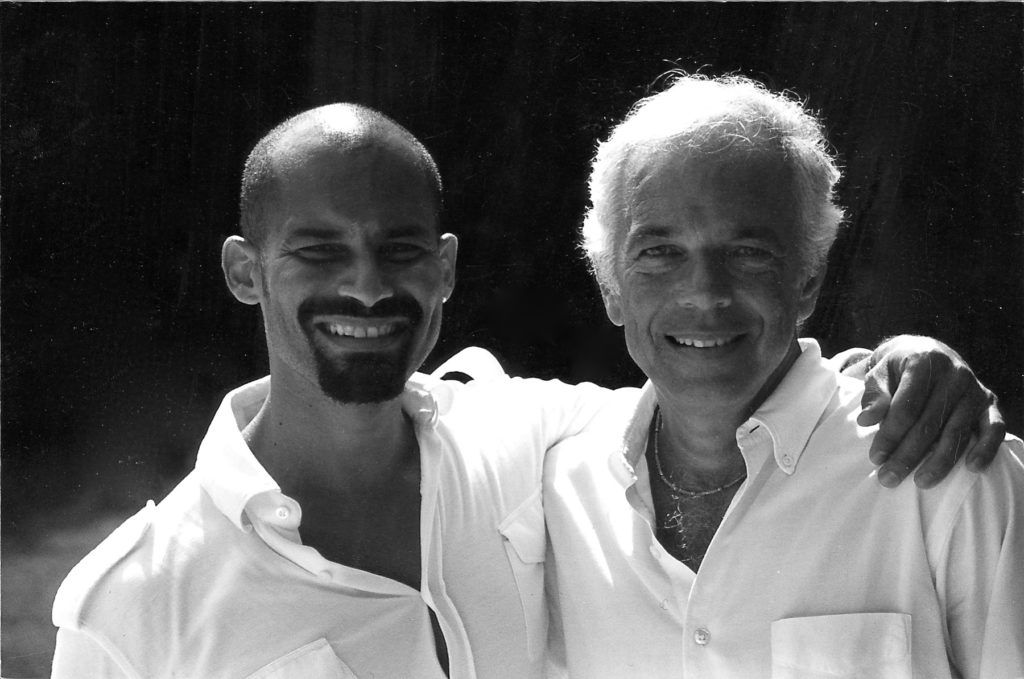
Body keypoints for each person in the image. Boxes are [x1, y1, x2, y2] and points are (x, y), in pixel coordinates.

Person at [50, 102, 1003, 679]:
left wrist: (906, 359)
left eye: (400, 248)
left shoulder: (525, 441)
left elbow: (715, 385)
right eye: (319, 250)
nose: (369, 286)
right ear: (244, 271)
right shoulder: (132, 606)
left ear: (445, 269)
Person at [543, 74, 1023, 678]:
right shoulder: (553, 492)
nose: (705, 293)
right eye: (659, 252)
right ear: (610, 285)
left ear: (809, 280)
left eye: (748, 253)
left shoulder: (944, 472)